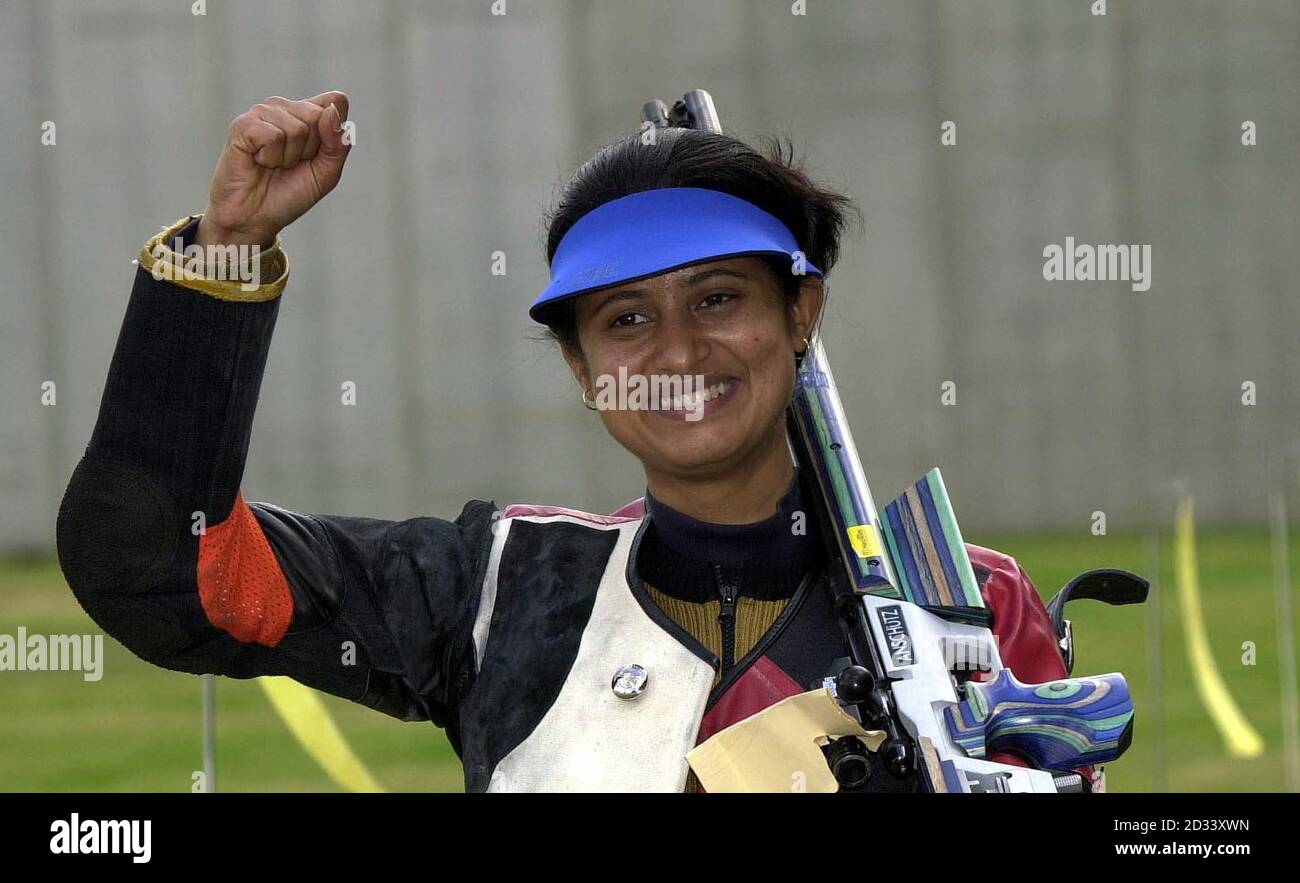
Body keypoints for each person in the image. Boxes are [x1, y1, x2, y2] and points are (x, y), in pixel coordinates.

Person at [57, 91, 1082, 792]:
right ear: (583, 368)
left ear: (799, 314)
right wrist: (228, 255)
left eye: (718, 298)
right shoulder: (494, 588)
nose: (677, 347)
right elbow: (160, 567)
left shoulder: (966, 606)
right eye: (625, 319)